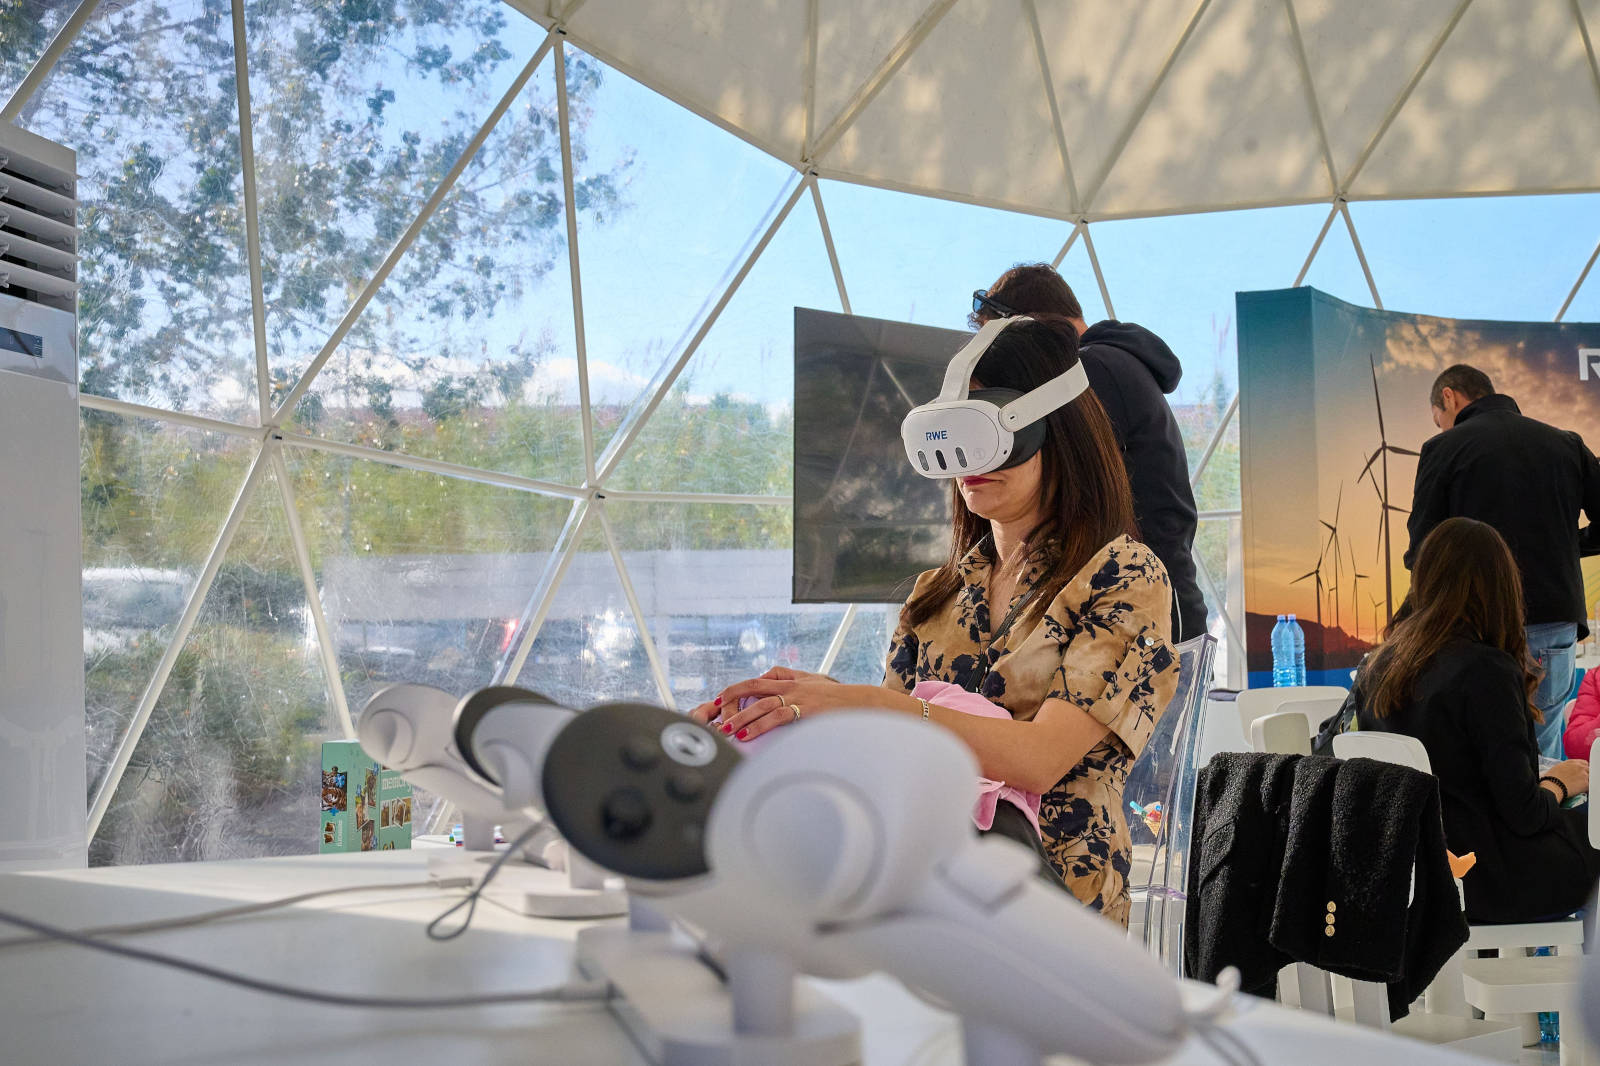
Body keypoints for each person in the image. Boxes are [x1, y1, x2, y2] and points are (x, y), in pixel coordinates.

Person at [691, 317, 1180, 926]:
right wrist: (803, 706)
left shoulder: (1123, 578)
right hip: (919, 891)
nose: (968, 461)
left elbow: (1038, 760)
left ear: (1059, 429)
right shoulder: (936, 594)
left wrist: (859, 702)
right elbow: (896, 741)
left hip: (1054, 910)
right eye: (952, 433)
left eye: (989, 430)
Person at [1355, 518, 1600, 924]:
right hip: (1487, 878)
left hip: (1410, 877)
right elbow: (1524, 814)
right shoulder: (1486, 671)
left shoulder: (1378, 667)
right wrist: (1560, 782)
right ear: (1502, 587)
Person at [970, 263, 1206, 643]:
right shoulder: (1118, 363)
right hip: (1157, 603)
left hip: (1141, 615)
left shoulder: (1090, 370)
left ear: (1029, 326)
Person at [1406, 364, 1600, 758]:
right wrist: (1567, 544)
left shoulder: (1443, 448)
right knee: (1542, 757)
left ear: (1449, 397)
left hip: (1474, 626)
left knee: (1478, 756)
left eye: (1439, 419)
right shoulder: (1566, 444)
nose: (1442, 427)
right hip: (1552, 621)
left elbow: (1423, 550)